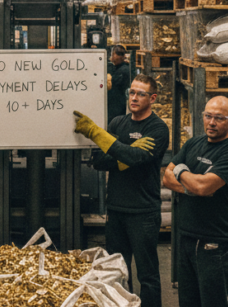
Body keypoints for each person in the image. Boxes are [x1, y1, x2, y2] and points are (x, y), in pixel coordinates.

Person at [73, 74, 170, 307]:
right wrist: (127, 154)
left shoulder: (158, 129)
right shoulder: (118, 123)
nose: (134, 98)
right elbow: (98, 160)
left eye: (141, 94)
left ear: (152, 98)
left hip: (143, 212)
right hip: (116, 209)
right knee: (116, 271)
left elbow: (135, 157)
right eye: (131, 92)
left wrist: (110, 143)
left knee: (147, 274)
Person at [162, 96, 228, 307]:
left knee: (212, 302)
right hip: (187, 236)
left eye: (219, 118)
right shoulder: (194, 143)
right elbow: (166, 177)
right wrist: (191, 187)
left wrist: (181, 171)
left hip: (214, 242)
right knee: (188, 301)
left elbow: (202, 186)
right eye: (208, 116)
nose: (211, 122)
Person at [107, 45, 131, 124]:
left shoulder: (122, 70)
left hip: (117, 107)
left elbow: (112, 85)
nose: (112, 58)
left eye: (113, 55)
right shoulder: (120, 68)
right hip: (117, 105)